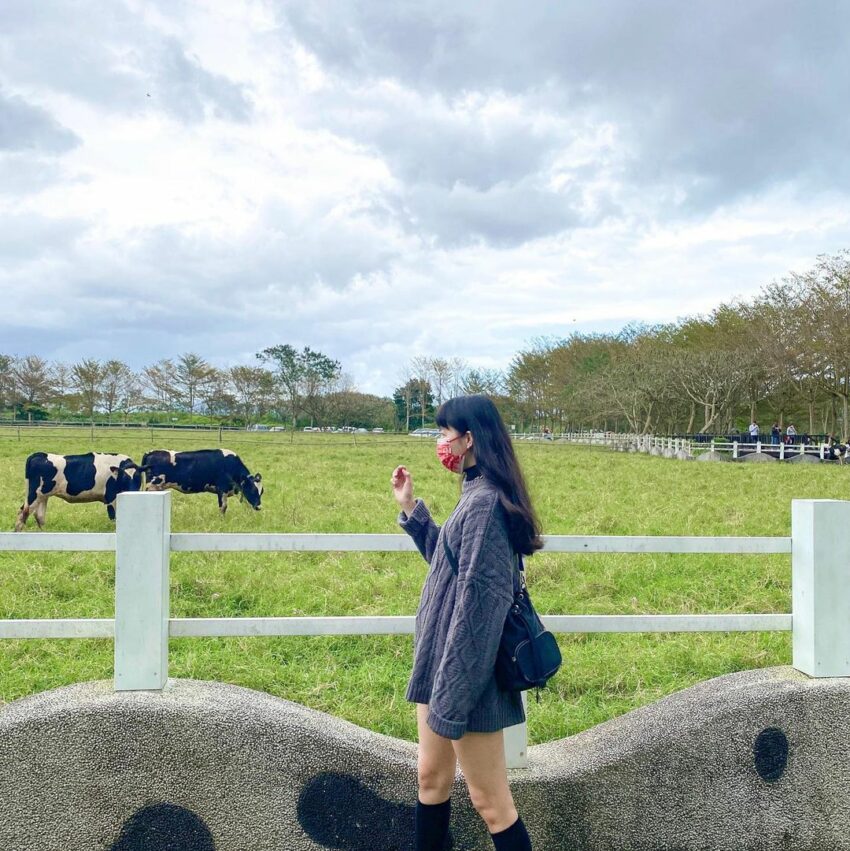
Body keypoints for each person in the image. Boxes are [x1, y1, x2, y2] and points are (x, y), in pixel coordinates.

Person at [391, 394, 541, 851]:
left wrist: (452, 699)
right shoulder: (474, 493)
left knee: (490, 801)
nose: (439, 442)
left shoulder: (486, 504)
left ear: (469, 438)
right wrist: (413, 511)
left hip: (466, 675)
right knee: (430, 779)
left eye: (443, 433)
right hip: (443, 666)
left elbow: (480, 608)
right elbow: (451, 567)